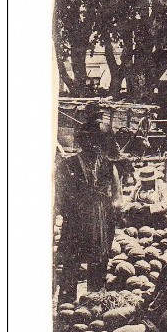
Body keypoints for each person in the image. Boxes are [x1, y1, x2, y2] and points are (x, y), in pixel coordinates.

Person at [55, 117, 126, 303]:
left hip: (102, 218)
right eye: (89, 140)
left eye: (97, 141)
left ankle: (95, 300)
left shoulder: (109, 166)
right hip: (76, 218)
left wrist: (115, 212)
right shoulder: (67, 165)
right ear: (82, 141)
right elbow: (60, 195)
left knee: (99, 260)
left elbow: (118, 196)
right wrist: (66, 212)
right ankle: (67, 302)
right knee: (72, 259)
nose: (93, 145)